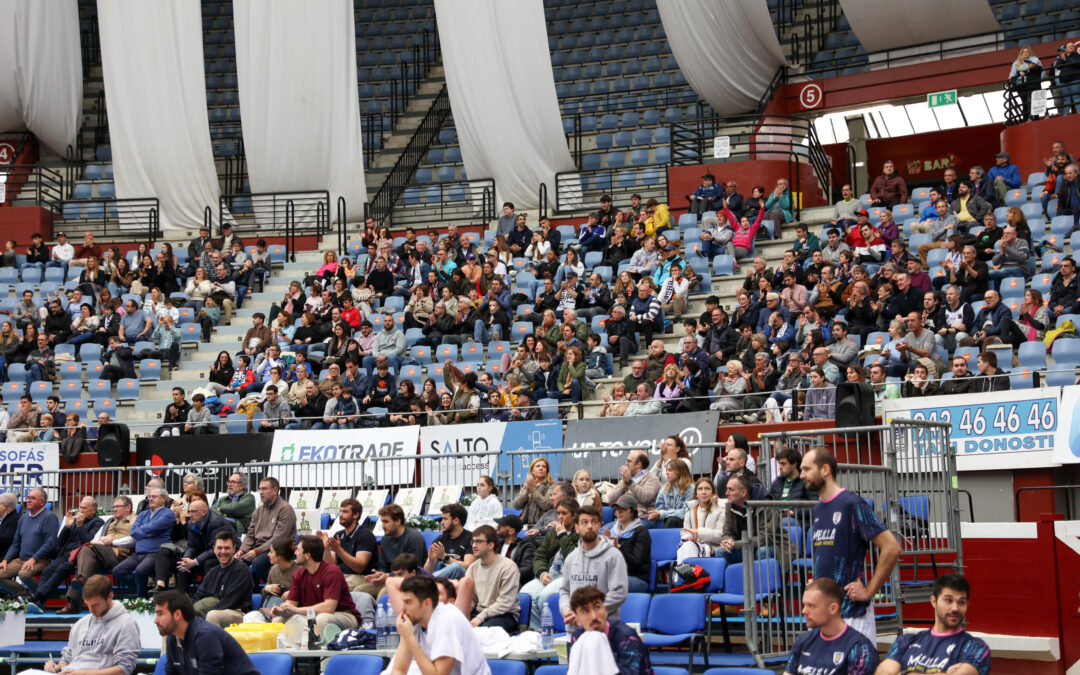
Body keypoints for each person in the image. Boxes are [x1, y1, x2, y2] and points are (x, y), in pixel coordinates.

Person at [802, 447, 900, 643]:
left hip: (852, 613)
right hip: (826, 614)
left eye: (807, 469)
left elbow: (892, 547)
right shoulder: (819, 508)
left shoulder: (852, 504)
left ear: (825, 469)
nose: (802, 475)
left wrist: (870, 590)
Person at [877, 573, 991, 675]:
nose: (955, 608)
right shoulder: (905, 642)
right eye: (948, 600)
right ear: (933, 601)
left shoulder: (975, 647)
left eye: (961, 602)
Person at [386, 575, 491, 675]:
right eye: (403, 602)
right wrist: (408, 637)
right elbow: (398, 670)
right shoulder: (413, 618)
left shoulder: (447, 619)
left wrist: (409, 638)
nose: (403, 608)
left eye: (408, 602)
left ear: (427, 603)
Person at [43, 574, 141, 675]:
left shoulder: (126, 624)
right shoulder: (80, 624)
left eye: (95, 605)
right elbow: (67, 660)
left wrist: (84, 673)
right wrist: (57, 668)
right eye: (87, 604)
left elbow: (124, 669)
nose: (90, 610)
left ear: (110, 596)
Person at [784, 578, 879, 675]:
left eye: (811, 606)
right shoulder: (802, 641)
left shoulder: (860, 648)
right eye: (804, 605)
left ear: (833, 608)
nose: (804, 611)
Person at [25, 496, 103, 613]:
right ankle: (39, 604)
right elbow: (60, 543)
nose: (81, 510)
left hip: (80, 557)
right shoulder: (75, 521)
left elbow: (89, 542)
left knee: (62, 569)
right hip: (66, 554)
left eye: (84, 508)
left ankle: (37, 597)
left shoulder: (98, 522)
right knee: (47, 571)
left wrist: (81, 526)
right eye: (80, 507)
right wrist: (67, 527)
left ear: (93, 510)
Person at [269, 535, 362, 632]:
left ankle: (321, 646)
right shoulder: (299, 574)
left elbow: (328, 608)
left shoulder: (331, 572)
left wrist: (296, 610)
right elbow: (290, 605)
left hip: (343, 615)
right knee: (278, 620)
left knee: (320, 620)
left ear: (307, 555)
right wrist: (281, 611)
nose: (295, 552)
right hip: (313, 614)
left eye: (298, 550)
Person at [61, 496, 136, 614]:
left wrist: (112, 541)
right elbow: (94, 540)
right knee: (85, 563)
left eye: (118, 506)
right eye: (114, 507)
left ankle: (74, 602)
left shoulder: (134, 519)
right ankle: (79, 588)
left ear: (128, 508)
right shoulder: (110, 521)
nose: (115, 509)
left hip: (120, 556)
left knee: (85, 553)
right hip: (103, 554)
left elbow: (134, 539)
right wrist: (102, 542)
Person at [156, 590, 259, 675]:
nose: (156, 620)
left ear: (178, 614)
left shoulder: (205, 635)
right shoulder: (173, 638)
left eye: (160, 614)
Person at [560, 505, 627, 629]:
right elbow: (565, 590)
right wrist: (566, 610)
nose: (589, 526)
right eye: (584, 522)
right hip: (575, 630)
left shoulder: (613, 555)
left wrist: (588, 613)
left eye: (593, 522)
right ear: (577, 528)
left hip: (603, 630)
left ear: (599, 525)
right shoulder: (571, 558)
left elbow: (619, 593)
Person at [519, 498, 579, 631]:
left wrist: (562, 534)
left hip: (567, 576)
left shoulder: (580, 532)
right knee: (525, 595)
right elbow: (540, 555)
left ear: (574, 515)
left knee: (544, 597)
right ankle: (537, 630)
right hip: (550, 574)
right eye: (558, 513)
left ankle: (552, 630)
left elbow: (573, 558)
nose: (560, 517)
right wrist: (541, 573)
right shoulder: (552, 532)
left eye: (564, 513)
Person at [568, 585, 654, 675]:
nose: (594, 616)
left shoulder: (626, 637)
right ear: (577, 619)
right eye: (586, 611)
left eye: (597, 607)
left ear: (605, 610)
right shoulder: (577, 637)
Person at [356, 504, 428, 600]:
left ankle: (381, 614)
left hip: (411, 581)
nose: (382, 526)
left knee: (384, 593)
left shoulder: (414, 538)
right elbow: (383, 566)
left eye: (386, 522)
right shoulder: (385, 539)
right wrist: (379, 575)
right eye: (382, 522)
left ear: (398, 521)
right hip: (390, 579)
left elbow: (413, 570)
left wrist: (388, 576)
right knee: (359, 590)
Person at [0, 487, 60, 597]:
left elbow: (50, 543)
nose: (28, 500)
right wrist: (6, 560)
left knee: (24, 574)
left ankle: (40, 597)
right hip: (22, 559)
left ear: (42, 502)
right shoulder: (23, 518)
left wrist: (34, 558)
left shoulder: (50, 517)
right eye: (28, 498)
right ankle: (26, 595)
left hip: (42, 559)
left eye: (32, 498)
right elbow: (16, 543)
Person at [237, 477, 298, 583]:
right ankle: (247, 593)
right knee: (237, 562)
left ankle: (277, 587)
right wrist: (242, 551)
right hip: (259, 549)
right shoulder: (258, 511)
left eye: (264, 489)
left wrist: (257, 551)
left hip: (281, 549)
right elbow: (250, 535)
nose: (261, 492)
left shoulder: (285, 509)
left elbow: (278, 538)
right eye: (260, 489)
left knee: (258, 563)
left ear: (275, 490)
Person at [463, 524, 520, 631]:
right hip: (480, 612)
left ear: (491, 545)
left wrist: (481, 617)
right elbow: (471, 600)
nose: (474, 545)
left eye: (479, 542)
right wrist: (463, 614)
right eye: (473, 541)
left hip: (504, 615)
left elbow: (505, 603)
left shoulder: (508, 567)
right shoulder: (473, 568)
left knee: (482, 633)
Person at [192, 531, 253, 627]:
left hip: (237, 612)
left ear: (234, 549)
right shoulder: (212, 572)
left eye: (227, 548)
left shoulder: (241, 570)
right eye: (219, 548)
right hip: (211, 611)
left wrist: (202, 619)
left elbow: (230, 602)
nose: (223, 551)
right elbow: (198, 596)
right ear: (214, 549)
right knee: (175, 619)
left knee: (212, 616)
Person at [320, 498, 377, 591]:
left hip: (361, 577)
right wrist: (326, 548)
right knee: (316, 585)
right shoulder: (339, 534)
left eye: (345, 512)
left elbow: (359, 567)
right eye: (340, 511)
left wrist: (338, 549)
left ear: (355, 515)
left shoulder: (365, 535)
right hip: (343, 576)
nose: (340, 515)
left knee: (329, 588)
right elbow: (332, 566)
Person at [605, 494, 651, 593]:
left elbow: (637, 563)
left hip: (636, 577)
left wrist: (619, 548)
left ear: (632, 511)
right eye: (617, 509)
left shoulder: (641, 532)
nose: (619, 512)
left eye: (623, 509)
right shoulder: (613, 532)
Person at [608, 449, 662, 522]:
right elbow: (611, 500)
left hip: (642, 518)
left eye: (629, 461)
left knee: (626, 531)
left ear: (638, 464)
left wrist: (630, 482)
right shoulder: (625, 478)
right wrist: (624, 485)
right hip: (622, 520)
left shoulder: (652, 479)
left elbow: (645, 498)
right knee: (602, 531)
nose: (626, 463)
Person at [424, 503, 475, 580]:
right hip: (444, 583)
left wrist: (445, 558)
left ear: (456, 520)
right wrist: (431, 560)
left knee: (456, 567)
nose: (442, 522)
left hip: (462, 581)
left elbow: (468, 567)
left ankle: (430, 581)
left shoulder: (470, 538)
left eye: (445, 519)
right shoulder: (440, 539)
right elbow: (427, 572)